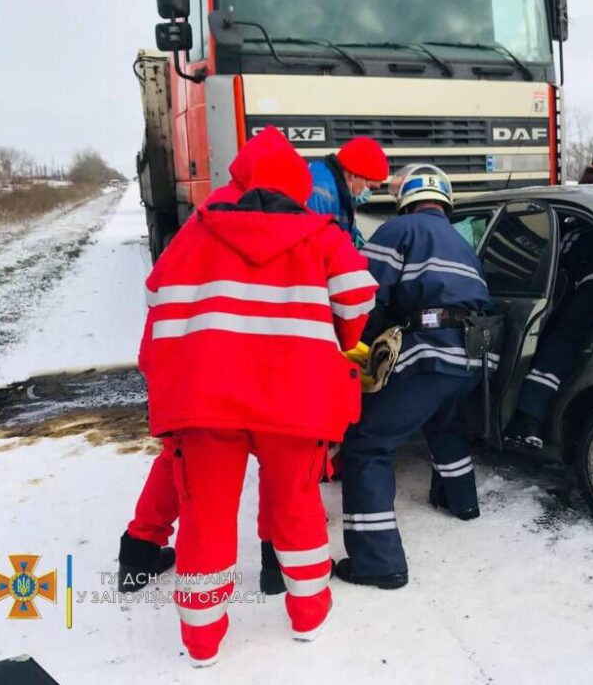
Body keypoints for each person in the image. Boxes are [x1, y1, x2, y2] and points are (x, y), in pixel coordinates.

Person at [137, 126, 377, 666]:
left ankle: (202, 642)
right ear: (296, 184)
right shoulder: (323, 234)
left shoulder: (195, 233)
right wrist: (337, 337)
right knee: (297, 506)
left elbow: (156, 301)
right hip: (294, 401)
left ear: (238, 180)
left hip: (206, 402)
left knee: (207, 517)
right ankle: (308, 614)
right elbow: (357, 305)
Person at [335, 164, 493, 590]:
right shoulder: (463, 243)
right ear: (445, 200)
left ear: (405, 199)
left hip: (429, 349)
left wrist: (354, 342)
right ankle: (461, 502)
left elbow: (365, 295)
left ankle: (378, 562)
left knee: (368, 442)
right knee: (444, 422)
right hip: (473, 356)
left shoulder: (399, 230)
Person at [503, 215, 593, 448]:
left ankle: (528, 421)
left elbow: (552, 262)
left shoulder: (574, 232)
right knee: (565, 340)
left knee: (561, 342)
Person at [307, 136, 389, 248]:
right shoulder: (322, 192)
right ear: (353, 175)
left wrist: (359, 242)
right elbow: (313, 242)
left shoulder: (340, 190)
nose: (369, 193)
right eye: (371, 187)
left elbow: (344, 227)